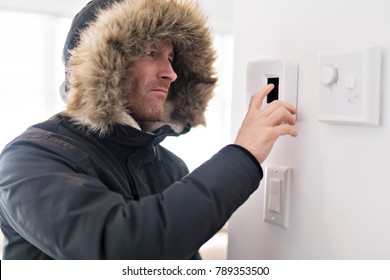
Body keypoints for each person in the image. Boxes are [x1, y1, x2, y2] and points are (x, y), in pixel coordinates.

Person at [0, 0, 297, 260]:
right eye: (151, 52)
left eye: (170, 57)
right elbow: (125, 249)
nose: (171, 73)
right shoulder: (29, 159)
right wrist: (242, 155)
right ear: (104, 63)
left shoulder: (170, 167)